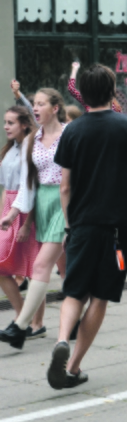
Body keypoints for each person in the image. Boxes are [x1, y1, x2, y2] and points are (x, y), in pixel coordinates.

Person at [44, 64, 127, 390]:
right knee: (100, 296)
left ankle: (61, 340)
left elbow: (65, 186)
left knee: (75, 290)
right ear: (113, 90)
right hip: (119, 230)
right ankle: (72, 367)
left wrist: (71, 224)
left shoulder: (72, 130)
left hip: (83, 226)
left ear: (82, 94)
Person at [0, 89, 68, 350]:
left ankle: (21, 326)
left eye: (41, 104)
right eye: (35, 104)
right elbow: (28, 185)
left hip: (66, 201)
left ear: (55, 108)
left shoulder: (70, 134)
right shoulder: (32, 141)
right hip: (42, 203)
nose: (36, 108)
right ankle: (71, 315)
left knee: (42, 265)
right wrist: (13, 214)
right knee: (61, 267)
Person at [0, 107, 40, 333]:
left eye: (11, 122)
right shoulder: (9, 150)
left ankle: (36, 323)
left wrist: (26, 222)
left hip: (27, 212)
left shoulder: (30, 149)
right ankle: (21, 316)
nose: (6, 126)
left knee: (34, 269)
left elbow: (32, 188)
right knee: (3, 266)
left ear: (24, 124)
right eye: (5, 122)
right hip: (10, 210)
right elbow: (6, 189)